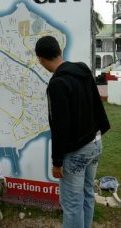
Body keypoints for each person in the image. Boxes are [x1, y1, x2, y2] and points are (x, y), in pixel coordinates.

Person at [35, 35, 110, 228]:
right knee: (86, 195)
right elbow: (96, 101)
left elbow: (60, 126)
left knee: (72, 203)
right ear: (59, 51)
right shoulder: (83, 69)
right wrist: (101, 130)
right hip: (95, 144)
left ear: (41, 59)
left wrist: (57, 162)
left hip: (76, 152)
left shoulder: (57, 84)